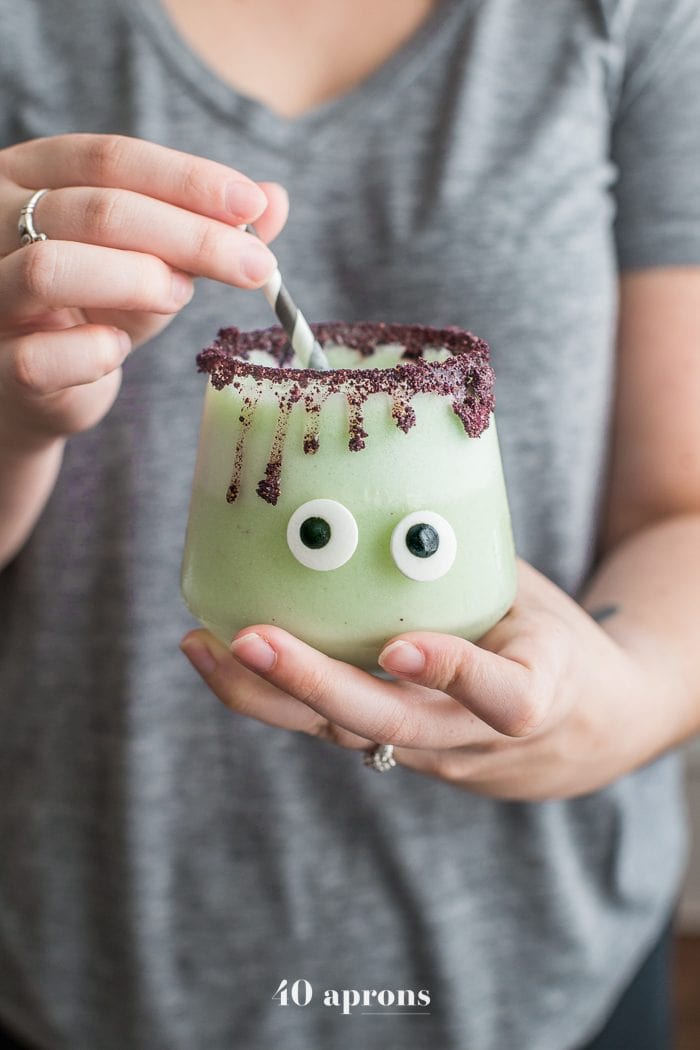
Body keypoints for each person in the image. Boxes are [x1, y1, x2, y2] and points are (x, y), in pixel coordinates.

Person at [1, 1, 699, 1047]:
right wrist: (16, 422)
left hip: (544, 968)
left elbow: (680, 503)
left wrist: (603, 700)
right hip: (90, 955)